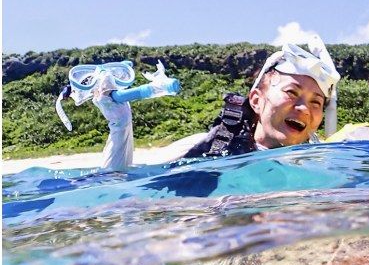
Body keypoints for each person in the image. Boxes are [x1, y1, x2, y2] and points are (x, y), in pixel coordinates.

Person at [94, 35, 340, 171]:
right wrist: (120, 126)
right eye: (291, 92)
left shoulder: (324, 164)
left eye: (316, 102)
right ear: (256, 100)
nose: (304, 108)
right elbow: (119, 183)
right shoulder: (210, 148)